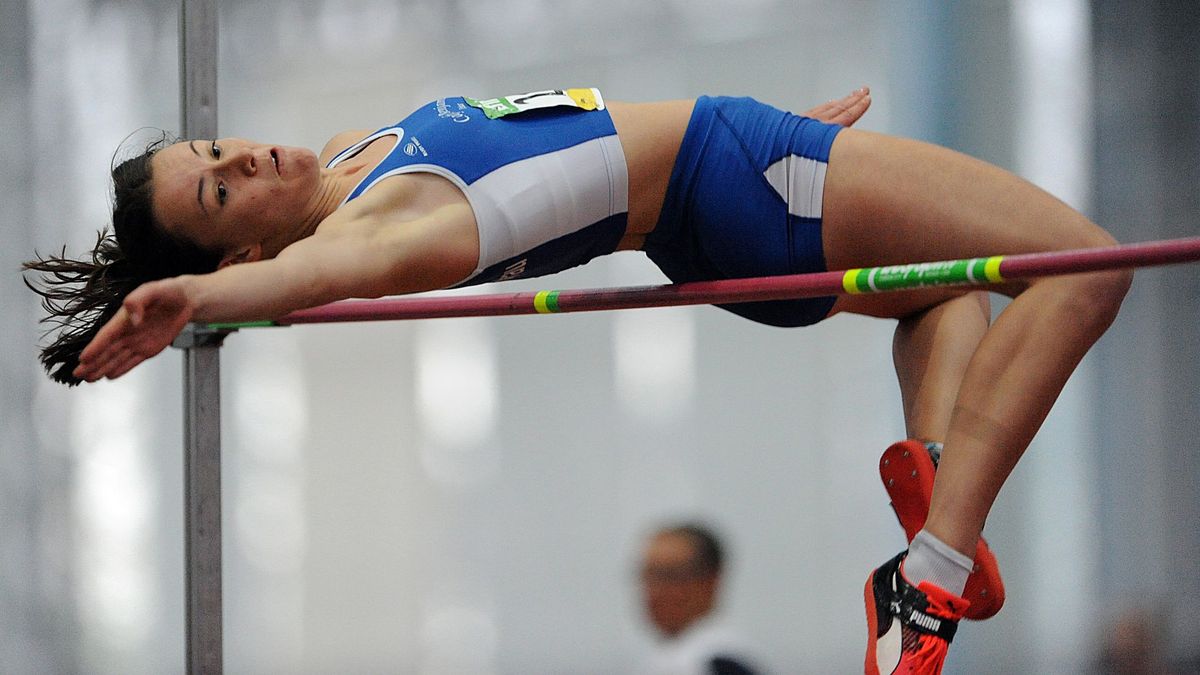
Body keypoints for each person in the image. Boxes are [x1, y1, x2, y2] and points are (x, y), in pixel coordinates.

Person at [23, 84, 1132, 674]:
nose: (240, 157)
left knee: (946, 291)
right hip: (729, 170)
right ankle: (931, 572)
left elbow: (563, 136)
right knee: (1083, 267)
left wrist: (819, 159)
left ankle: (935, 477)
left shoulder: (357, 154)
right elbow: (311, 280)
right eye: (220, 193)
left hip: (718, 203)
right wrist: (196, 301)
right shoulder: (378, 230)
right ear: (246, 256)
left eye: (212, 149)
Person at [636, 523, 761, 675]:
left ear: (710, 581)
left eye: (669, 575)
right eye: (648, 576)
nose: (654, 591)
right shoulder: (668, 657)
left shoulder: (719, 662)